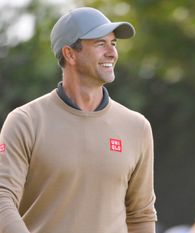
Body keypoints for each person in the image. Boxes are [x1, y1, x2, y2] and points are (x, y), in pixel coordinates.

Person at [0, 7, 156, 233]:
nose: (112, 52)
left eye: (113, 43)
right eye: (100, 44)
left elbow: (141, 214)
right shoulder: (25, 122)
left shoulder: (136, 127)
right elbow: (3, 198)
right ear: (70, 54)